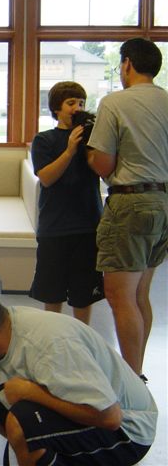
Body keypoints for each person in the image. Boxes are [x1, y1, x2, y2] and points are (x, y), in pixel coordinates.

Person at [0, 283, 157, 466]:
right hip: (92, 414)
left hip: (130, 431)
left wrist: (33, 394)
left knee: (22, 421)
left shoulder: (48, 346)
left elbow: (111, 417)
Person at [86, 37, 168, 377]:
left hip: (131, 202)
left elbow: (103, 164)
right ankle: (138, 370)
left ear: (128, 64)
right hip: (163, 202)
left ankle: (130, 379)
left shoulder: (115, 102)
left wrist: (89, 154)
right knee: (140, 295)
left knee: (120, 296)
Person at [29, 81, 104, 325]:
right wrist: (70, 150)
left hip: (88, 226)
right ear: (56, 109)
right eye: (71, 103)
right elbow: (47, 178)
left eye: (81, 103)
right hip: (55, 228)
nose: (77, 108)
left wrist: (91, 144)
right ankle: (55, 340)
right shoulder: (44, 140)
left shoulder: (93, 141)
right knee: (52, 293)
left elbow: (104, 171)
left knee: (84, 295)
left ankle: (82, 341)